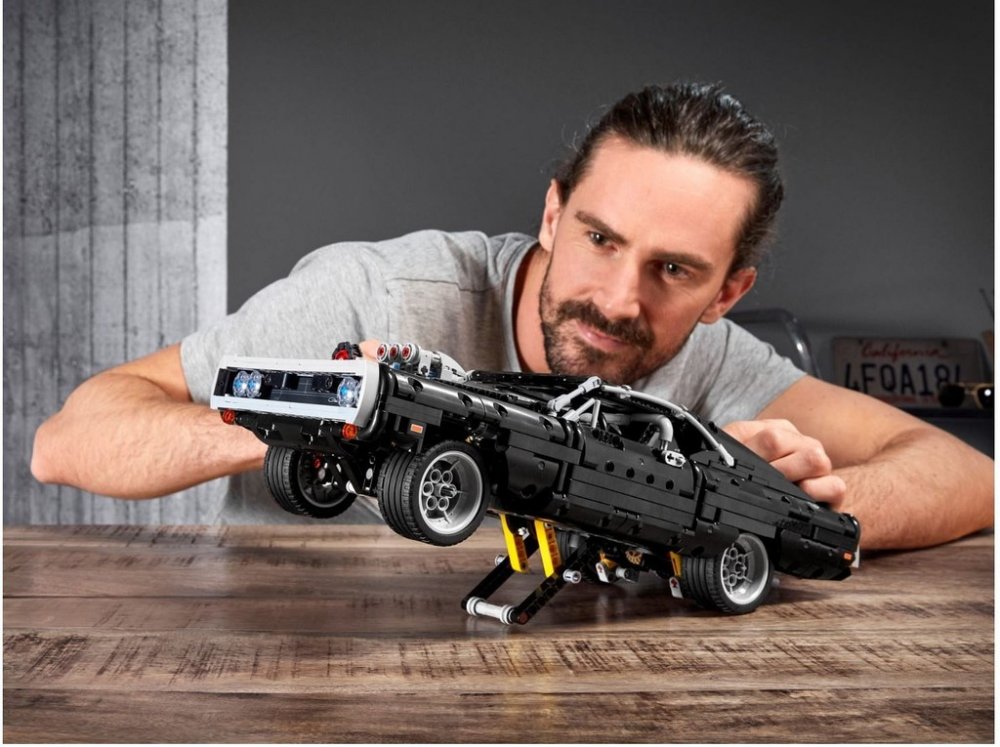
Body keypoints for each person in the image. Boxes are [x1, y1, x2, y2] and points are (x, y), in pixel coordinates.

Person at [31, 83, 993, 550]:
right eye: (601, 239)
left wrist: (790, 509)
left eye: (673, 271)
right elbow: (69, 441)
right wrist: (321, 422)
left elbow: (970, 477)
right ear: (553, 215)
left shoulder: (714, 362)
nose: (619, 300)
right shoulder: (378, 295)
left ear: (725, 294)